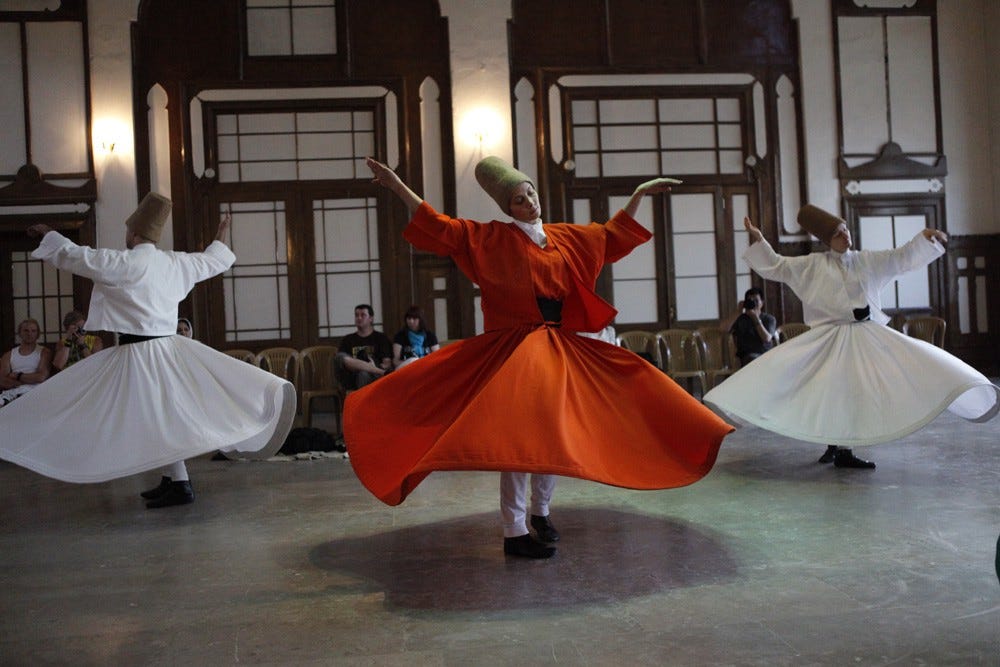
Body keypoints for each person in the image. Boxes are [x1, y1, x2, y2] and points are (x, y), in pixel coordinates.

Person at [346, 156, 733, 558]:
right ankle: (514, 529)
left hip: (558, 345)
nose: (528, 201)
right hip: (516, 350)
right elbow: (438, 225)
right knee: (518, 441)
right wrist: (395, 185)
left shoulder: (566, 238)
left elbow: (611, 235)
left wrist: (637, 196)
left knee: (554, 432)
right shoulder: (490, 238)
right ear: (506, 208)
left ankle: (542, 511)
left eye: (529, 192)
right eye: (517, 199)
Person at [0, 193, 296, 507]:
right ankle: (175, 479)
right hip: (168, 351)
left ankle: (178, 483)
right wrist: (220, 239)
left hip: (140, 355)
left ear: (135, 234)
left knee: (153, 418)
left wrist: (50, 234)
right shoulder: (175, 262)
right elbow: (212, 261)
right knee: (160, 417)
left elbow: (77, 256)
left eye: (128, 230)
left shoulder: (124, 261)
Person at [704, 205, 999, 469]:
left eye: (845, 230)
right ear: (826, 240)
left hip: (865, 335)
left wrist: (925, 238)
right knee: (825, 389)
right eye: (838, 233)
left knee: (879, 380)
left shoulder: (866, 260)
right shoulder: (812, 265)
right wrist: (759, 241)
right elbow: (779, 266)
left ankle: (844, 447)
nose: (845, 236)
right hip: (829, 337)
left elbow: (900, 258)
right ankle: (835, 444)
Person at [335, 304, 393, 390]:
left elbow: (387, 363)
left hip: (375, 376)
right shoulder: (347, 339)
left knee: (364, 374)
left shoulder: (381, 338)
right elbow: (343, 362)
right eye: (356, 315)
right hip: (352, 376)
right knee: (340, 356)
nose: (359, 318)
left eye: (363, 315)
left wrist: (379, 367)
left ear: (371, 319)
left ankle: (363, 402)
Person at [0, 318, 52, 407]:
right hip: (13, 392)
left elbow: (41, 377)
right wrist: (23, 384)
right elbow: (2, 380)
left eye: (33, 331)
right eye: (26, 330)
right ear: (20, 333)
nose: (29, 334)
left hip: (36, 392)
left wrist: (17, 376)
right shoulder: (8, 355)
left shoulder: (44, 352)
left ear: (38, 334)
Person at [728, 287, 777, 367]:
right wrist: (738, 312)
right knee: (753, 359)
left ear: (762, 303)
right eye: (750, 301)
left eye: (756, 301)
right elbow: (723, 329)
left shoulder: (769, 318)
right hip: (746, 356)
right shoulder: (741, 319)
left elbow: (767, 338)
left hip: (766, 355)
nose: (753, 303)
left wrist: (755, 318)